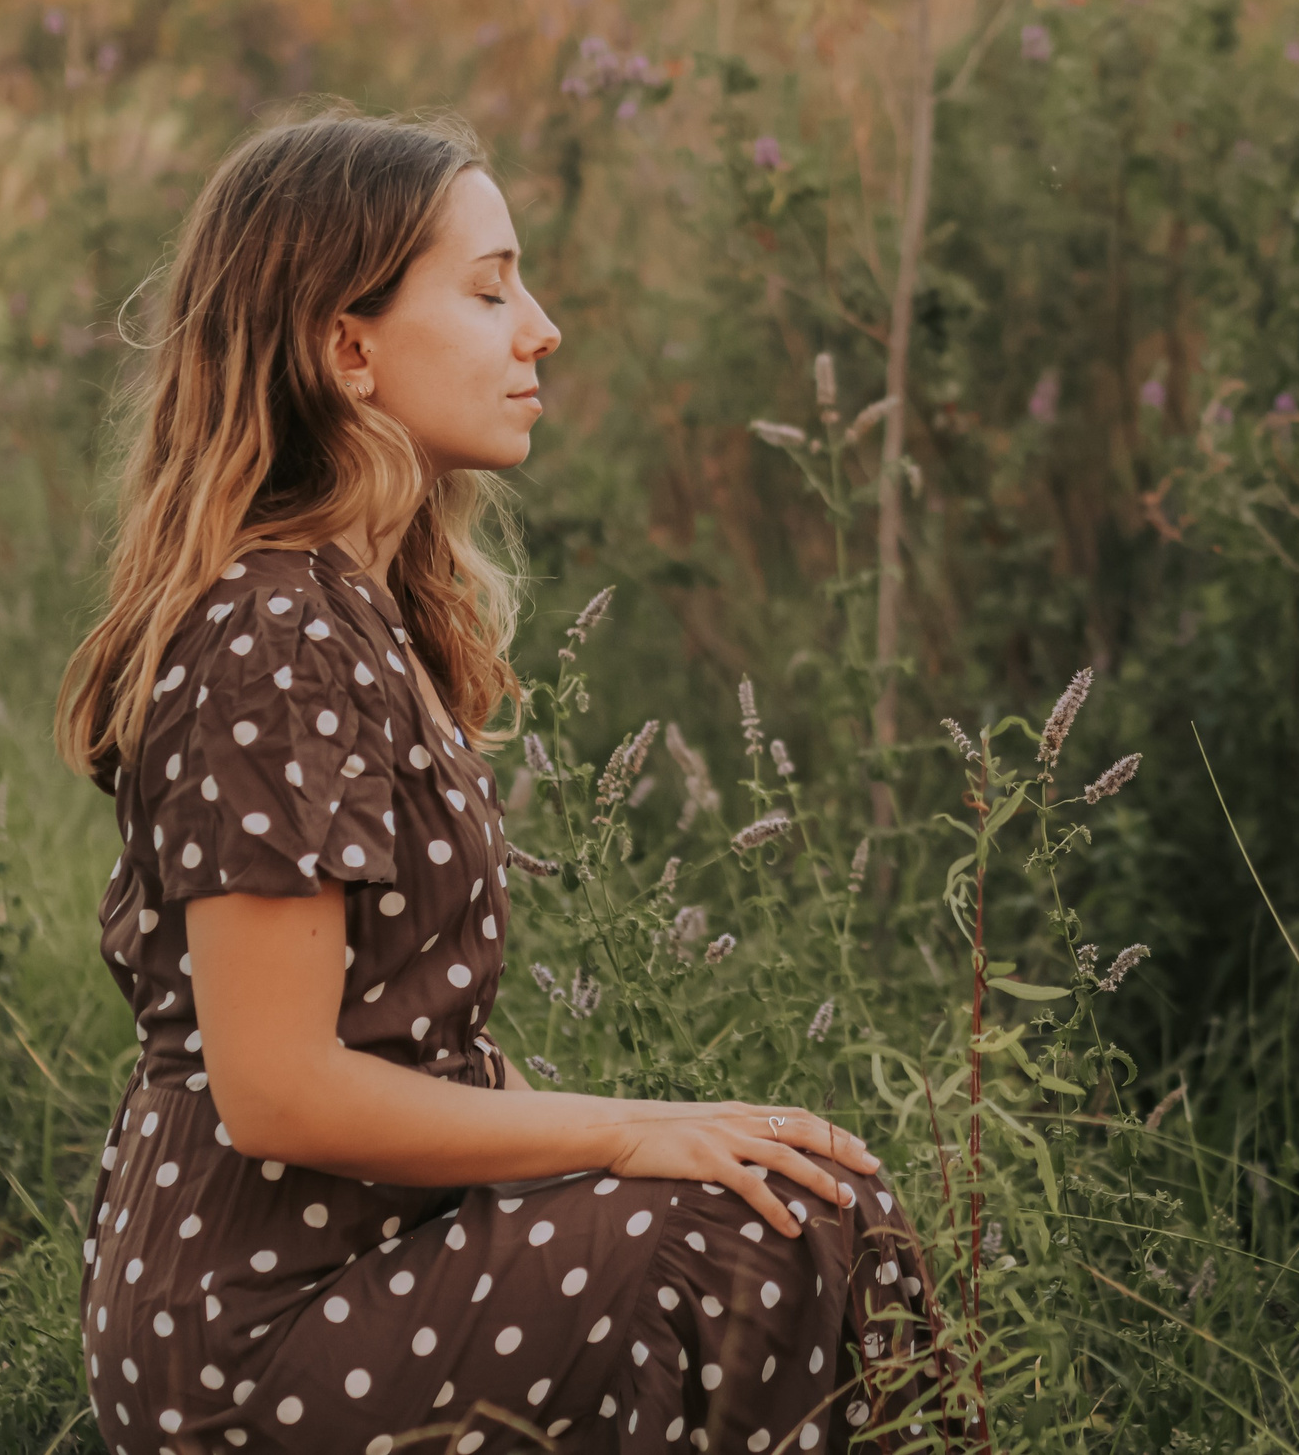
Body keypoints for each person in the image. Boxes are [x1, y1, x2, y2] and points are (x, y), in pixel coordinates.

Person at [53, 108, 954, 1455]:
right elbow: (275, 1089)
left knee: (813, 1199)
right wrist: (634, 1132)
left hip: (370, 1265)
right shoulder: (272, 638)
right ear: (347, 348)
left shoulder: (353, 610)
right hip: (258, 1329)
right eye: (488, 290)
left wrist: (646, 1135)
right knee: (741, 1237)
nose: (538, 329)